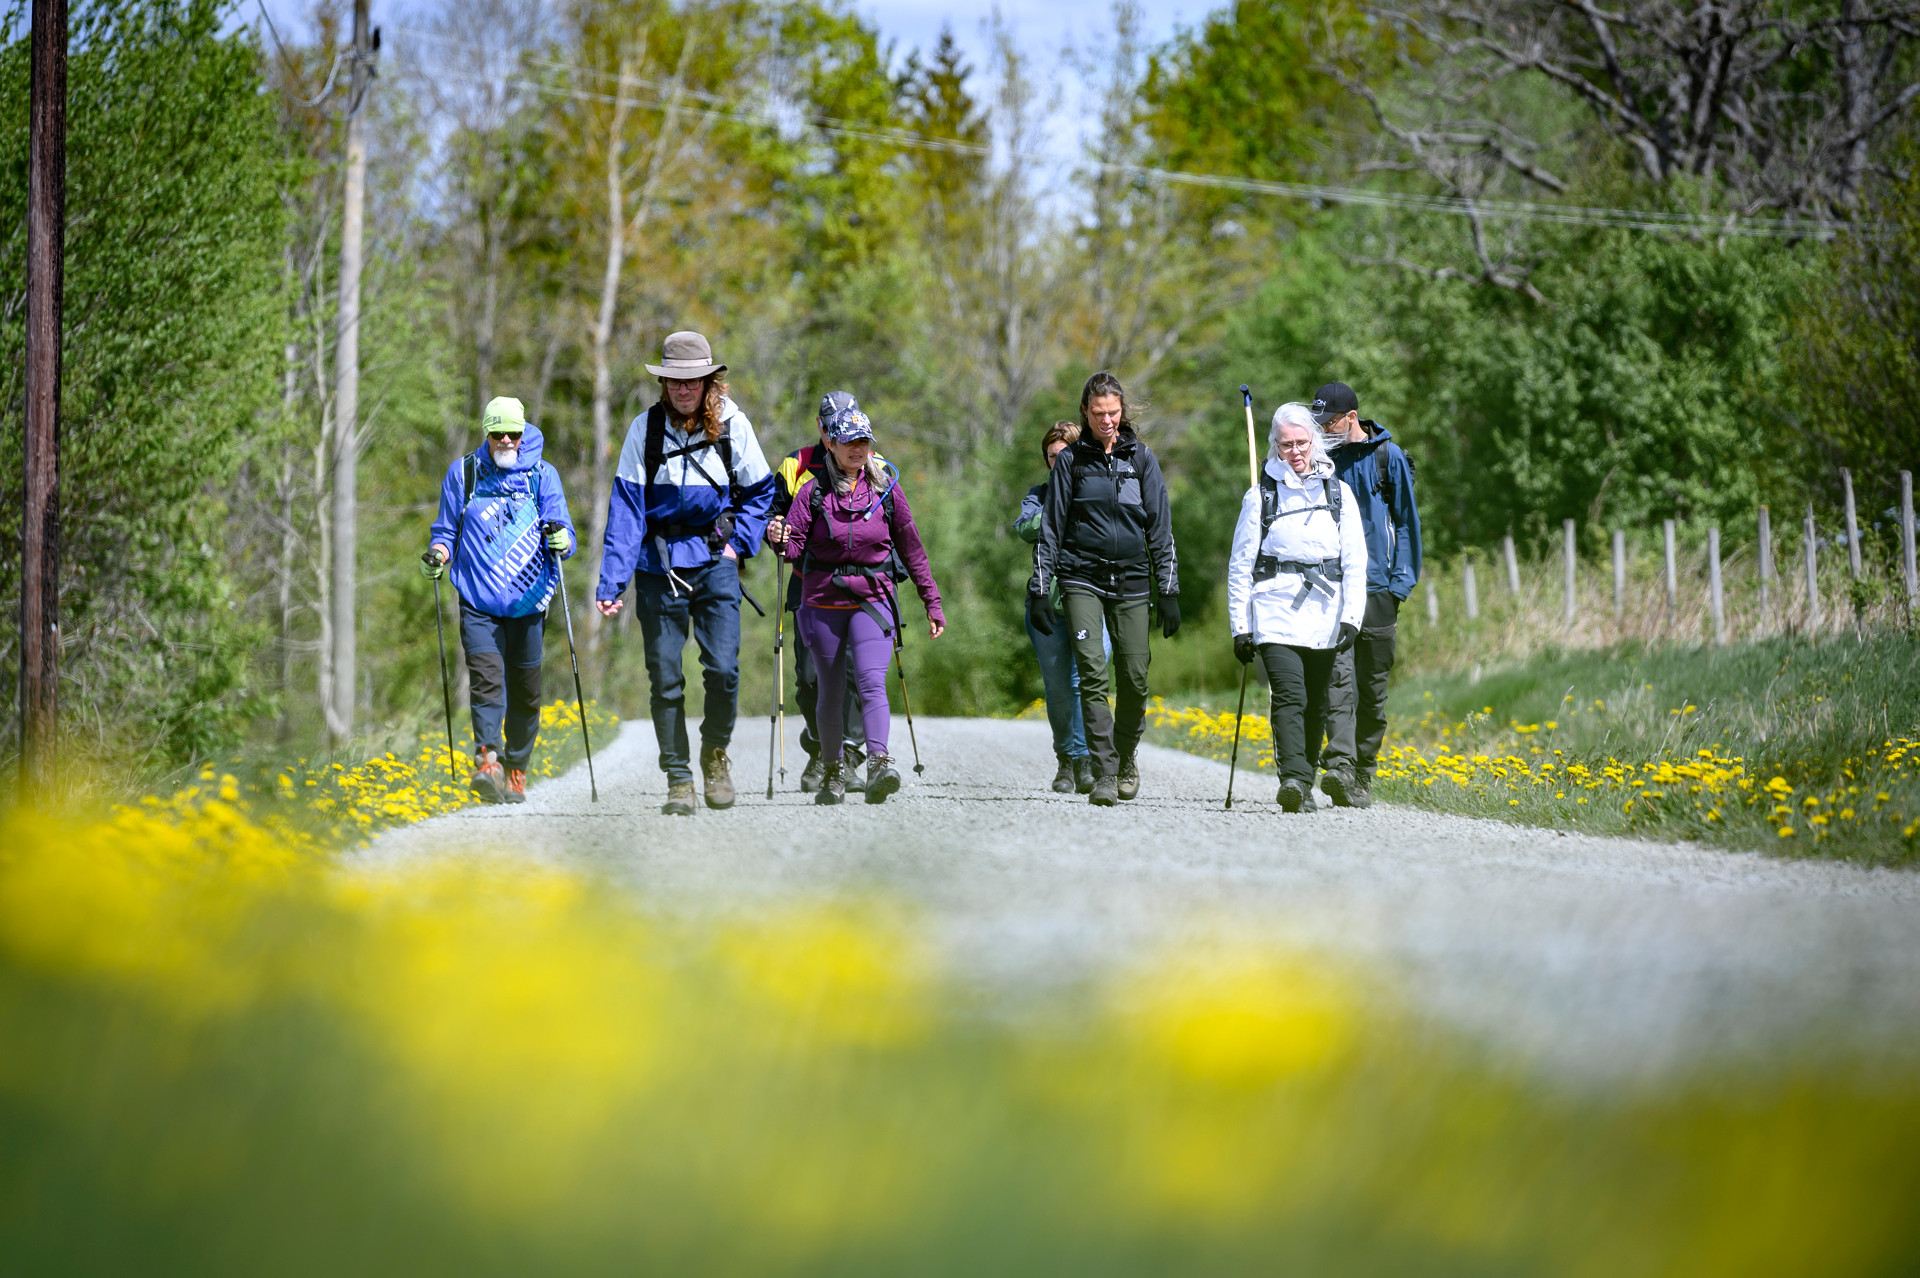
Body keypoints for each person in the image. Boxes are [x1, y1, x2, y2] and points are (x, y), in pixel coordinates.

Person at [594, 331, 774, 816]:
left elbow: (761, 492)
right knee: (665, 677)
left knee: (723, 669)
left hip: (717, 559)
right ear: (664, 382)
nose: (683, 388)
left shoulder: (733, 424)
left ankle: (715, 756)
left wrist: (740, 546)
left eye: (692, 379)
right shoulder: (644, 430)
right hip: (658, 563)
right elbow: (627, 509)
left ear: (709, 379)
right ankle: (678, 777)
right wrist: (612, 582)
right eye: (674, 380)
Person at [770, 394, 945, 804]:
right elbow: (793, 549)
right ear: (829, 442)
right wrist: (777, 538)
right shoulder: (811, 493)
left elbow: (913, 550)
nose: (858, 448)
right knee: (828, 690)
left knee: (869, 681)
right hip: (822, 602)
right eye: (849, 440)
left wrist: (931, 602)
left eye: (864, 441)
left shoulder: (887, 490)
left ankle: (879, 762)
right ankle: (832, 769)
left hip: (873, 599)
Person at [1027, 371, 1180, 806]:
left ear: (1122, 411)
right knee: (1092, 673)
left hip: (1132, 580)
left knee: (1134, 677)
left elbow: (1161, 529)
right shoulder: (1072, 462)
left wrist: (1168, 590)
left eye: (1113, 413)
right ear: (1085, 413)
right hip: (1081, 578)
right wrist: (1041, 588)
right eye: (1098, 414)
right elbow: (1051, 528)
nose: (1107, 421)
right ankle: (1105, 771)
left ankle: (1126, 754)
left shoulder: (1143, 460)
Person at [422, 396, 577, 805]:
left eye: (513, 432)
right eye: (497, 433)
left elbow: (565, 532)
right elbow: (445, 531)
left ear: (524, 432)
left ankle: (516, 769)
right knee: (487, 676)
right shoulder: (465, 475)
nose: (505, 439)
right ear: (486, 434)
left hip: (530, 601)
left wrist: (562, 539)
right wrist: (438, 555)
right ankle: (487, 758)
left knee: (526, 692)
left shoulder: (543, 476)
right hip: (478, 597)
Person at [1226, 401, 1367, 813]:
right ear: (1274, 446)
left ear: (1315, 441)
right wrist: (1240, 627)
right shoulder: (1260, 496)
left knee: (1318, 701)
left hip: (1326, 613)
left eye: (1302, 442)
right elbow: (1240, 565)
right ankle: (1292, 778)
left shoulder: (1340, 494)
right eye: (1286, 444)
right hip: (1273, 610)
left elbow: (1356, 561)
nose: (1295, 451)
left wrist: (1352, 617)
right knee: (1289, 696)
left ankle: (1302, 782)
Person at [1311, 381, 1422, 809]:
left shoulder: (1386, 457)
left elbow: (1407, 522)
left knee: (1371, 690)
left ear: (1351, 418)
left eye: (1329, 422)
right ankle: (1339, 765)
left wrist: (1399, 586)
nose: (1323, 430)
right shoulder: (1321, 460)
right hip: (1333, 587)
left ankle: (1361, 774)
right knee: (1337, 681)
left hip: (1378, 588)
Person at [765, 394, 873, 794]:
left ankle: (848, 756)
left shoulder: (869, 464)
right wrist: (774, 532)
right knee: (809, 679)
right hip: (806, 581)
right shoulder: (795, 465)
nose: (834, 432)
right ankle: (819, 749)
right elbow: (771, 514)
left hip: (859, 585)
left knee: (856, 672)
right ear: (820, 426)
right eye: (829, 424)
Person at [1013, 421, 1094, 795]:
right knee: (1059, 689)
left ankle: (1083, 760)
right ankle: (1066, 757)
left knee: (1083, 682)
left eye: (1064, 456)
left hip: (1089, 598)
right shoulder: (1039, 495)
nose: (1057, 463)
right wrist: (1060, 507)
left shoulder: (1095, 492)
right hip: (1045, 604)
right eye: (1051, 457)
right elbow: (1024, 528)